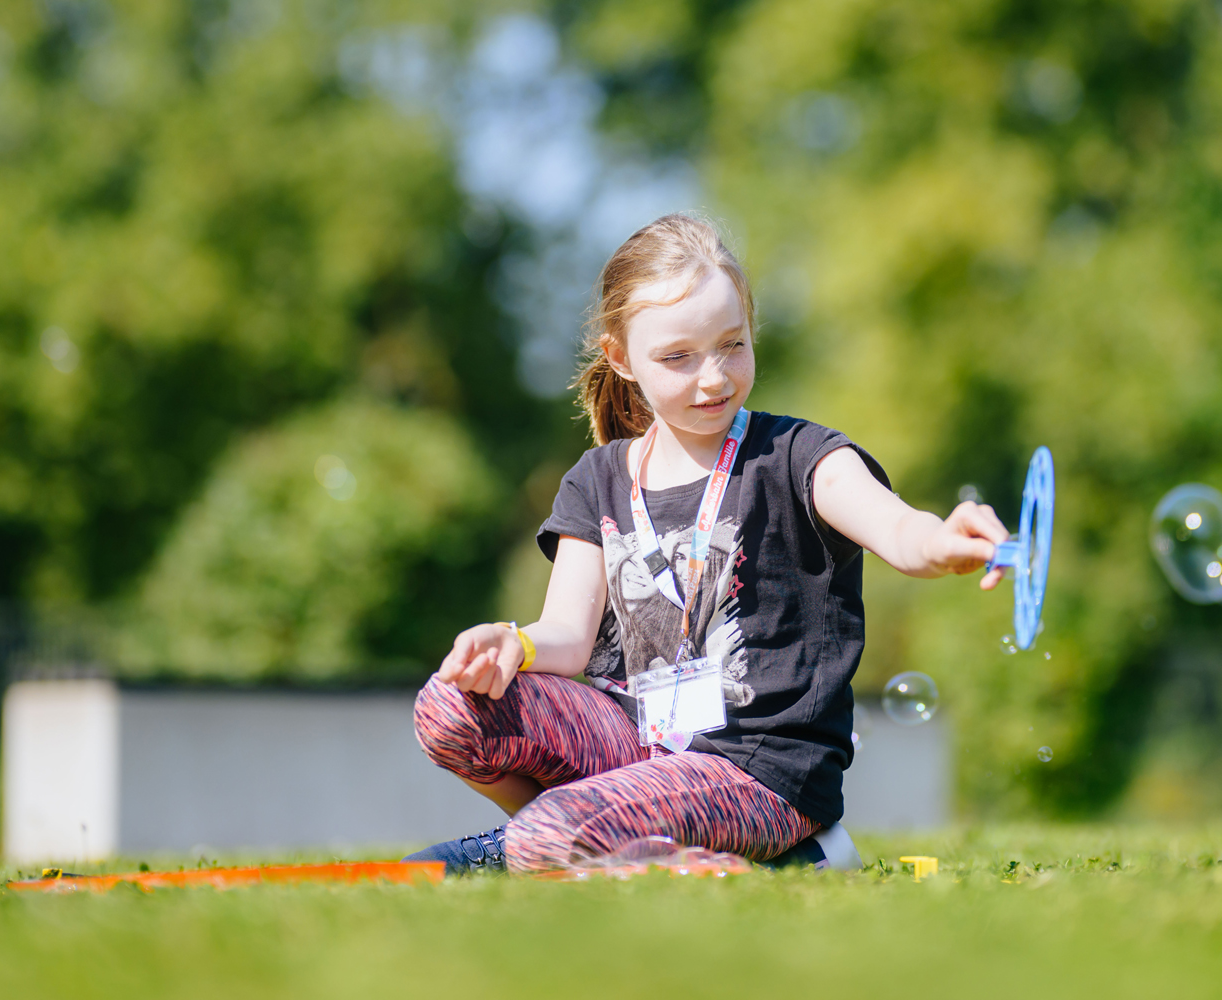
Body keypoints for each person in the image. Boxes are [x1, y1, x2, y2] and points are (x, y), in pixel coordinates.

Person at [404, 214, 1009, 875]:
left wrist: (940, 539)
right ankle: (578, 847)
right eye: (679, 357)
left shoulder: (798, 455)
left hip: (759, 771)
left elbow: (897, 528)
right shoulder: (597, 480)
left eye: (732, 345)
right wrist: (512, 644)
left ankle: (616, 849)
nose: (714, 378)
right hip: (638, 746)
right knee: (448, 707)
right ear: (619, 356)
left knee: (544, 835)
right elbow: (566, 638)